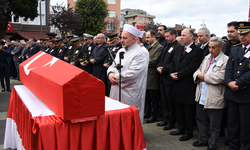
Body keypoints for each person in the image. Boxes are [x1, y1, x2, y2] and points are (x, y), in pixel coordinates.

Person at [107, 24, 149, 124]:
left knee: (129, 118)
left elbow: (132, 73)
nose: (122, 40)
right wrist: (110, 74)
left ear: (133, 39)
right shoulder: (121, 50)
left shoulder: (141, 53)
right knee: (116, 115)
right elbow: (113, 65)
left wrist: (114, 77)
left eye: (125, 38)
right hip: (116, 88)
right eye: (121, 37)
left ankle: (131, 138)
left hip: (130, 91)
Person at [193, 37, 228, 150]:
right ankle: (203, 140)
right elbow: (197, 71)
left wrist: (203, 76)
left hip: (215, 98)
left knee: (214, 125)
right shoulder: (206, 58)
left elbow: (220, 77)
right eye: (209, 47)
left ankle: (213, 145)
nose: (211, 50)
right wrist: (198, 75)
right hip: (201, 95)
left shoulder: (226, 60)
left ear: (220, 47)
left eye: (214, 47)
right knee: (201, 120)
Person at [169, 28, 204, 141]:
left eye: (184, 35)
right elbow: (173, 63)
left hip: (188, 85)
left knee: (188, 110)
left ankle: (188, 132)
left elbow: (192, 67)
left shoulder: (197, 51)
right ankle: (181, 128)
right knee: (178, 108)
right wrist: (171, 73)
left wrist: (179, 74)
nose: (182, 37)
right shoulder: (179, 49)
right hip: (177, 84)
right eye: (181, 35)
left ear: (191, 37)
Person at [225, 21, 250, 150]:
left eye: (245, 34)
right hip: (232, 93)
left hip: (246, 94)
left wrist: (239, 83)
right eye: (240, 34)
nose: (242, 36)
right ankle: (233, 146)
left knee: (246, 126)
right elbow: (229, 68)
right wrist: (229, 82)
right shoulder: (236, 49)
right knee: (232, 124)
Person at [156, 28, 182, 130]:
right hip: (162, 78)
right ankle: (165, 119)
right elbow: (162, 60)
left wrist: (165, 69)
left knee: (170, 102)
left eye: (167, 36)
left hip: (169, 79)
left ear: (174, 36)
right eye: (165, 36)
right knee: (164, 101)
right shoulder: (167, 46)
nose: (166, 38)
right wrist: (158, 66)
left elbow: (174, 62)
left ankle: (171, 122)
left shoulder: (178, 47)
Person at [144, 30, 163, 123]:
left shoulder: (159, 48)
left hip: (153, 77)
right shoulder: (148, 47)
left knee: (153, 98)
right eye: (146, 37)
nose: (146, 39)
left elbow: (154, 61)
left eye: (148, 37)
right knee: (147, 97)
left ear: (153, 37)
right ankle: (147, 113)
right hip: (146, 76)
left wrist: (142, 63)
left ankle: (153, 115)